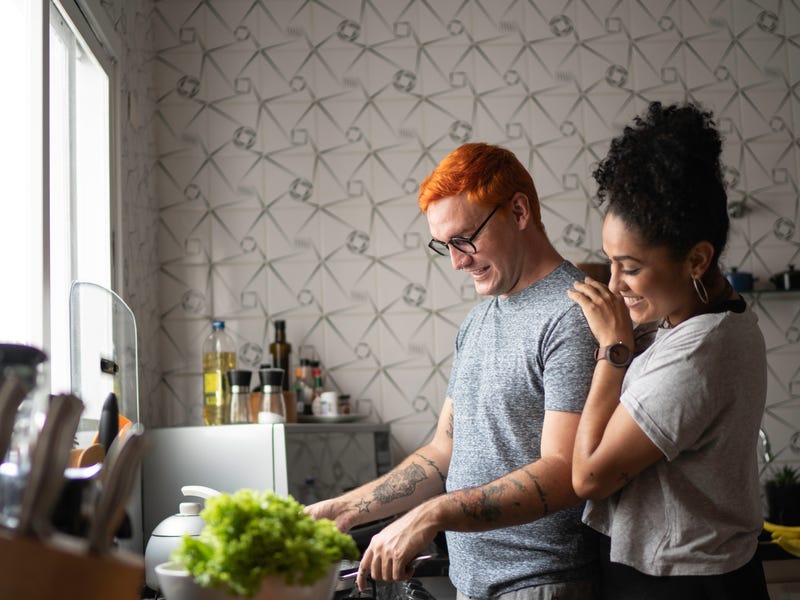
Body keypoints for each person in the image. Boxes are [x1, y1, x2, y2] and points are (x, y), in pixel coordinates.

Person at [307, 143, 600, 599]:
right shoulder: (478, 321)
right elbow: (442, 451)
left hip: (542, 586)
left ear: (519, 210)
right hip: (473, 587)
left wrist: (431, 514)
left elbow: (564, 473)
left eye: (465, 239)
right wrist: (346, 510)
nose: (457, 262)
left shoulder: (574, 314)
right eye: (445, 246)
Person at [567, 101, 769, 599]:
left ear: (697, 259)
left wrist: (614, 350)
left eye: (630, 267)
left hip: (684, 584)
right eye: (610, 262)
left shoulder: (702, 351)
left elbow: (589, 477)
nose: (615, 282)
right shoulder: (688, 319)